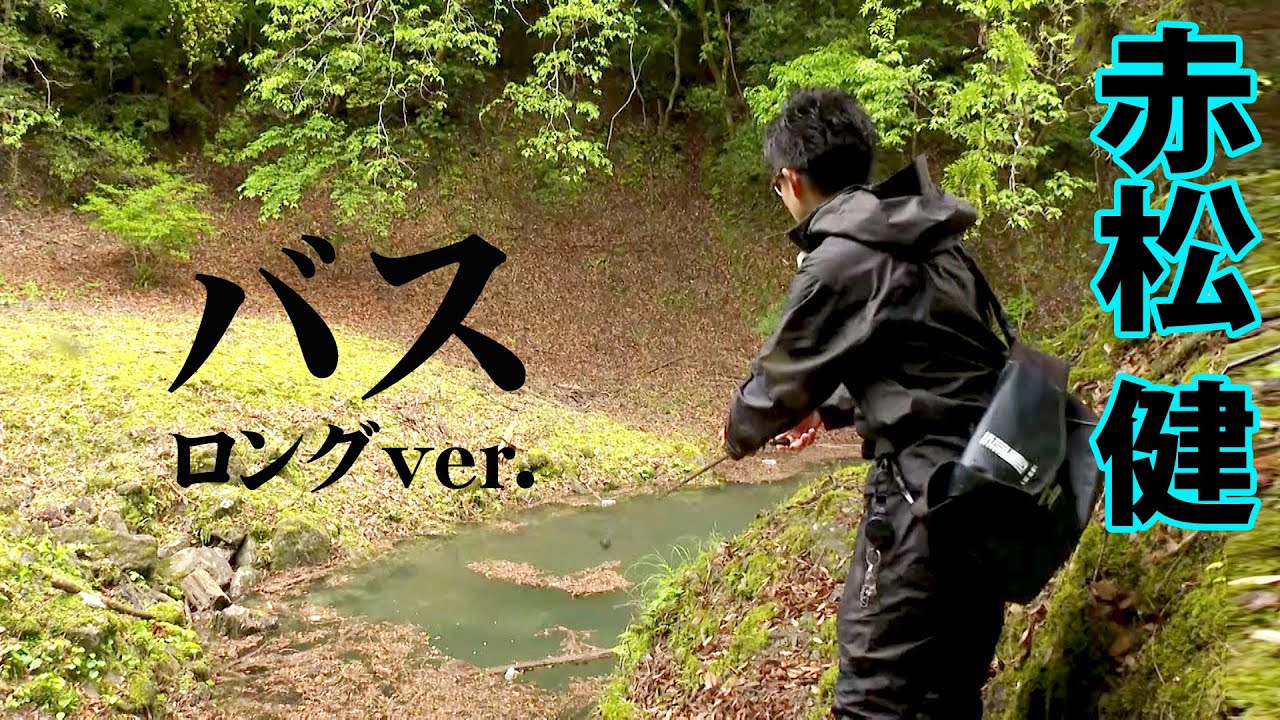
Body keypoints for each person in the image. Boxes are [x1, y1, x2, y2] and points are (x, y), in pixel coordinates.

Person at [719, 86, 1011, 719]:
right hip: (990, 490)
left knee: (870, 696)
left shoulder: (839, 258)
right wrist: (828, 410)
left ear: (791, 179)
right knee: (949, 689)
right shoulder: (929, 237)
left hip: (921, 506)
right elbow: (934, 365)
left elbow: (771, 389)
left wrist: (739, 432)